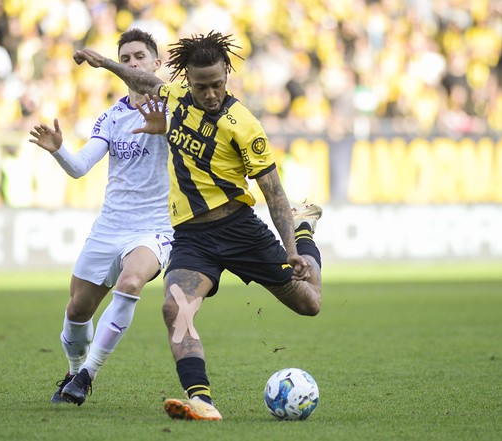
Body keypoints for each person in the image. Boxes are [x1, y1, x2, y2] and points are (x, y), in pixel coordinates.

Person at [74, 31, 323, 420]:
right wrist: (105, 63)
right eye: (201, 86)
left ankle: (306, 229)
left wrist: (292, 247)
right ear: (186, 79)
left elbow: (273, 193)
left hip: (240, 230)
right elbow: (143, 81)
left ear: (227, 73)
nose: (210, 94)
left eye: (217, 85)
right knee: (176, 309)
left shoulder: (245, 125)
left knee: (310, 304)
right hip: (192, 237)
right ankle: (200, 399)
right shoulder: (174, 99)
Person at [29, 29, 173, 406]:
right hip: (110, 226)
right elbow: (79, 168)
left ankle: (87, 375)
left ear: (157, 63)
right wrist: (59, 151)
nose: (132, 64)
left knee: (130, 282)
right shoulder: (110, 117)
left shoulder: (173, 108)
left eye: (139, 56)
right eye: (124, 59)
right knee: (77, 310)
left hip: (154, 227)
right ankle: (74, 369)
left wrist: (167, 129)